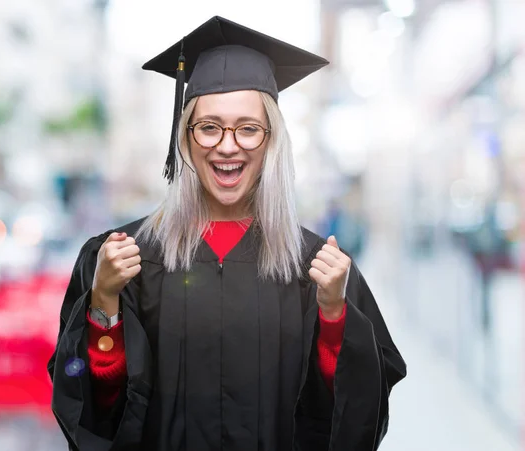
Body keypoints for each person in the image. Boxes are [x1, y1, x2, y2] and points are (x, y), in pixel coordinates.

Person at [48, 16, 407, 451]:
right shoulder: (126, 258)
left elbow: (353, 413)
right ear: (185, 137)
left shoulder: (314, 266)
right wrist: (104, 303)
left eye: (248, 128)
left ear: (272, 141)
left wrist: (333, 316)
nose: (228, 145)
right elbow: (93, 410)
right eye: (210, 126)